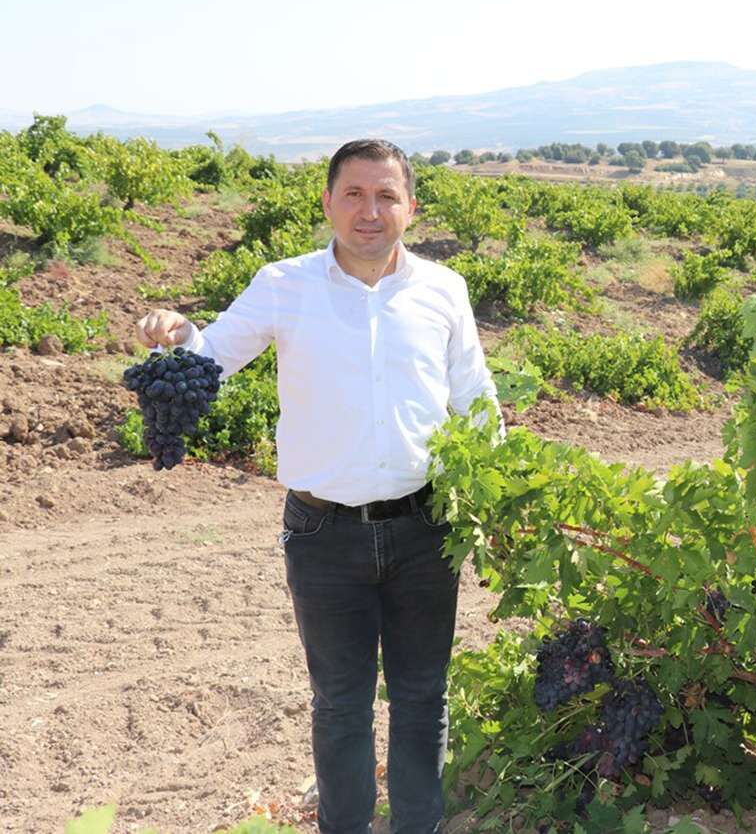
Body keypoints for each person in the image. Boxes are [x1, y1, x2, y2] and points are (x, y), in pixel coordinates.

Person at [135, 139, 498, 834]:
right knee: (340, 705)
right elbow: (211, 358)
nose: (370, 211)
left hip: (427, 530)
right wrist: (177, 333)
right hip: (323, 535)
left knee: (424, 699)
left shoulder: (442, 290)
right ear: (328, 203)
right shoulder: (284, 284)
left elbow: (474, 402)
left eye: (387, 195)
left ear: (411, 208)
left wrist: (505, 494)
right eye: (355, 195)